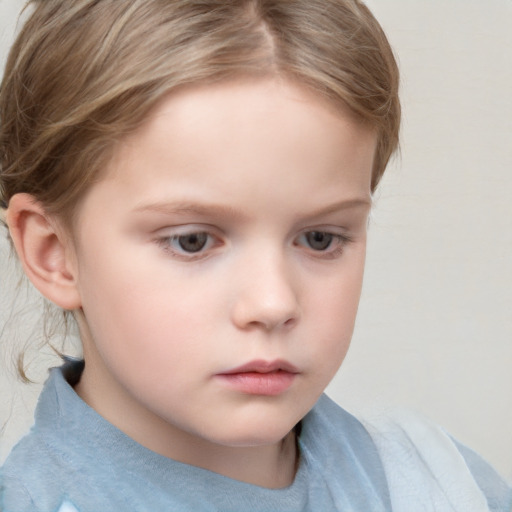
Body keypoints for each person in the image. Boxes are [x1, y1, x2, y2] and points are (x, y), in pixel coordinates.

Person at [0, 1, 510, 511]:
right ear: (54, 253)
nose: (273, 303)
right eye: (192, 241)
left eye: (319, 238)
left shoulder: (444, 485)